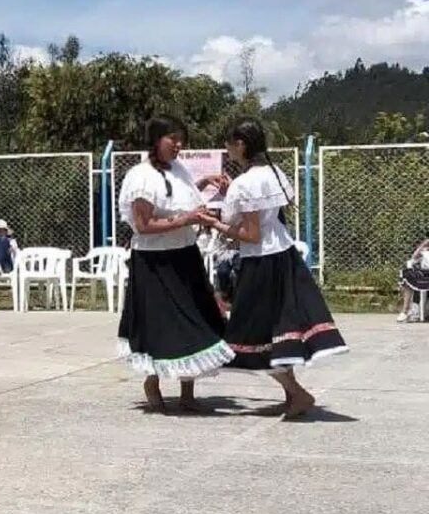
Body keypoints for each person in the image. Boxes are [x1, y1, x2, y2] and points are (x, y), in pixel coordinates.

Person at [199, 117, 348, 418]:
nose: (228, 151)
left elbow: (250, 233)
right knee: (280, 331)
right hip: (284, 256)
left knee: (250, 335)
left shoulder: (247, 182)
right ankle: (292, 395)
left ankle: (299, 394)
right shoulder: (274, 172)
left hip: (261, 263)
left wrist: (214, 222)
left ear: (240, 144)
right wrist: (233, 196)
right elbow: (267, 216)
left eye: (229, 145)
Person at [117, 114, 232, 413]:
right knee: (157, 325)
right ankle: (152, 382)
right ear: (156, 141)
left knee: (196, 319)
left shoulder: (178, 169)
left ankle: (187, 390)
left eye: (181, 139)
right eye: (173, 139)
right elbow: (143, 225)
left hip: (184, 254)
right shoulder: (140, 176)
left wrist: (203, 188)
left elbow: (176, 196)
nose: (179, 145)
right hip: (154, 262)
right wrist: (186, 219)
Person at [397, 238, 429, 322]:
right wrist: (423, 245)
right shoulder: (424, 252)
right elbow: (413, 258)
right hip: (424, 274)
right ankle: (405, 311)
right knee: (406, 275)